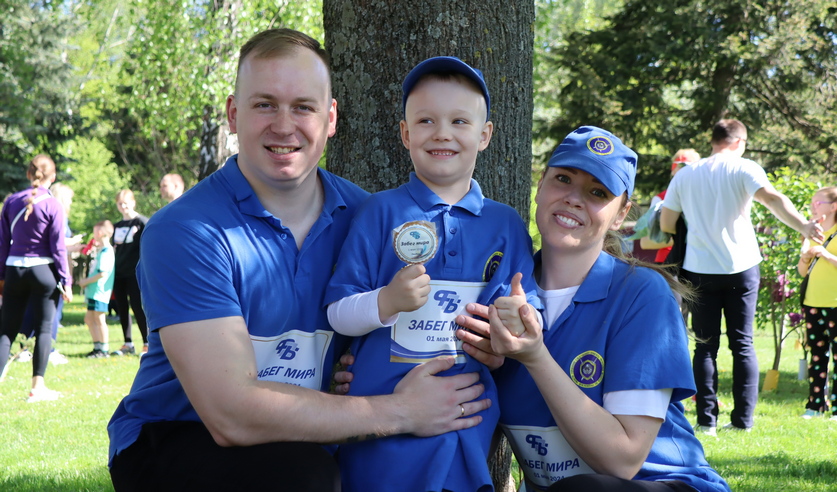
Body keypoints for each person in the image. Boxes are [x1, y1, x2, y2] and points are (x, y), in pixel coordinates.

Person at [107, 28, 490, 492]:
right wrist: (402, 411)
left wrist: (488, 342)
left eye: (303, 107)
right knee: (303, 477)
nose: (284, 125)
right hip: (178, 433)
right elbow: (231, 415)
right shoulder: (187, 230)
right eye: (264, 104)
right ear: (233, 114)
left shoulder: (371, 219)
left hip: (315, 430)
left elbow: (415, 322)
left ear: (330, 118)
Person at [456, 126, 731, 492]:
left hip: (663, 483)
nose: (573, 198)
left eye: (598, 192)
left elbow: (623, 460)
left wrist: (535, 357)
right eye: (563, 179)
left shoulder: (641, 294)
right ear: (540, 185)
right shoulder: (499, 293)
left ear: (620, 215)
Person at [324, 56, 540, 492]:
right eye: (426, 120)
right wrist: (386, 301)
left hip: (465, 423)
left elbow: (527, 319)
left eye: (459, 121)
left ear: (484, 135)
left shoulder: (504, 225)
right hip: (380, 426)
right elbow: (337, 313)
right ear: (406, 134)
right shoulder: (380, 212)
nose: (442, 132)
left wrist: (516, 321)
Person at [660, 119, 823, 434]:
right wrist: (803, 226)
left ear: (714, 141)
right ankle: (742, 422)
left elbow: (667, 223)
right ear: (739, 142)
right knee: (743, 345)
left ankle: (706, 422)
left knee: (705, 347)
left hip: (699, 268)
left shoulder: (685, 174)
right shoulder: (745, 168)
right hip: (742, 266)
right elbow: (772, 198)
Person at [0, 154, 73, 403]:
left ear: (28, 174)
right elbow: (58, 248)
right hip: (44, 271)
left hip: (14, 269)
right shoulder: (53, 205)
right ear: (53, 177)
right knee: (43, 329)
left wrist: (2, 276)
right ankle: (37, 388)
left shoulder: (11, 202)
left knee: (6, 331)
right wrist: (66, 281)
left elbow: (3, 244)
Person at [796, 186, 837, 420]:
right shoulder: (813, 232)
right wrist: (805, 257)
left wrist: (826, 254)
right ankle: (815, 406)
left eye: (818, 203)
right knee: (817, 355)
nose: (813, 207)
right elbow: (802, 272)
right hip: (813, 301)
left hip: (835, 303)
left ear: (834, 206)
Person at [639, 149, 700, 262]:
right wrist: (685, 238)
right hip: (668, 263)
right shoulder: (661, 199)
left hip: (698, 264)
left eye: (690, 167)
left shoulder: (705, 197)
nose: (685, 171)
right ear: (673, 170)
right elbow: (646, 242)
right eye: (681, 166)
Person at [111, 189, 148, 356]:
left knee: (137, 306)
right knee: (121, 307)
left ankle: (147, 343)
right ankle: (128, 343)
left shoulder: (142, 222)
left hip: (136, 272)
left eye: (126, 203)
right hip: (119, 272)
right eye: (120, 203)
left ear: (133, 202)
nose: (123, 206)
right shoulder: (116, 226)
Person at [78, 220, 116, 358]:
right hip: (94, 292)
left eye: (94, 232)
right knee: (89, 319)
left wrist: (85, 281)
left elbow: (102, 273)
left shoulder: (106, 251)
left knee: (99, 320)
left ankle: (104, 350)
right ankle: (97, 347)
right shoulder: (101, 250)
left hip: (100, 292)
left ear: (100, 233)